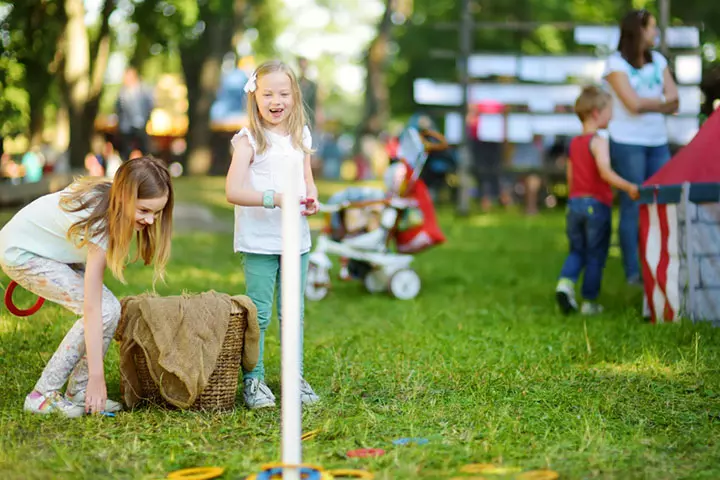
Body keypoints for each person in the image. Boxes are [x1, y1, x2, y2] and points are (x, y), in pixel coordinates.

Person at [0, 156, 174, 417]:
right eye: (144, 211)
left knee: (110, 309)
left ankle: (78, 392)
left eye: (157, 213)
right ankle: (42, 395)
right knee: (103, 310)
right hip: (22, 253)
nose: (150, 221)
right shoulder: (101, 224)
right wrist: (97, 376)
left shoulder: (112, 200)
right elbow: (92, 307)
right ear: (125, 197)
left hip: (49, 251)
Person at [225, 60, 320, 409]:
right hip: (259, 242)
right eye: (268, 94)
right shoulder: (249, 139)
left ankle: (293, 376)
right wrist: (275, 199)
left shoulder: (301, 135)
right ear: (255, 96)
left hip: (296, 240)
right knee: (260, 314)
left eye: (283, 93)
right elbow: (233, 191)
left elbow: (306, 176)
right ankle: (255, 380)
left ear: (294, 95)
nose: (276, 100)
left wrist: (312, 197)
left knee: (292, 312)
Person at [603, 9, 679, 285]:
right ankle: (632, 271)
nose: (655, 33)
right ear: (638, 31)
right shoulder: (615, 65)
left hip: (656, 142)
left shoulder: (658, 60)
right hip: (627, 143)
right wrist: (660, 104)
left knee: (661, 201)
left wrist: (646, 104)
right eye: (651, 28)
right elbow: (632, 104)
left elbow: (675, 100)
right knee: (632, 203)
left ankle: (658, 263)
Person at [555, 86, 640, 315]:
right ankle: (590, 302)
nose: (611, 116)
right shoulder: (599, 140)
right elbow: (605, 172)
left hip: (575, 204)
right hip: (596, 205)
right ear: (596, 113)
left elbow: (571, 177)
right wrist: (628, 186)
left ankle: (565, 284)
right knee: (595, 255)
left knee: (576, 251)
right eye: (609, 111)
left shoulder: (574, 143)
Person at [115, 67, 155, 161]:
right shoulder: (122, 92)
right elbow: (118, 109)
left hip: (140, 124)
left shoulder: (143, 90)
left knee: (144, 148)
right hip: (126, 127)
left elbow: (149, 105)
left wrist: (145, 120)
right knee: (126, 150)